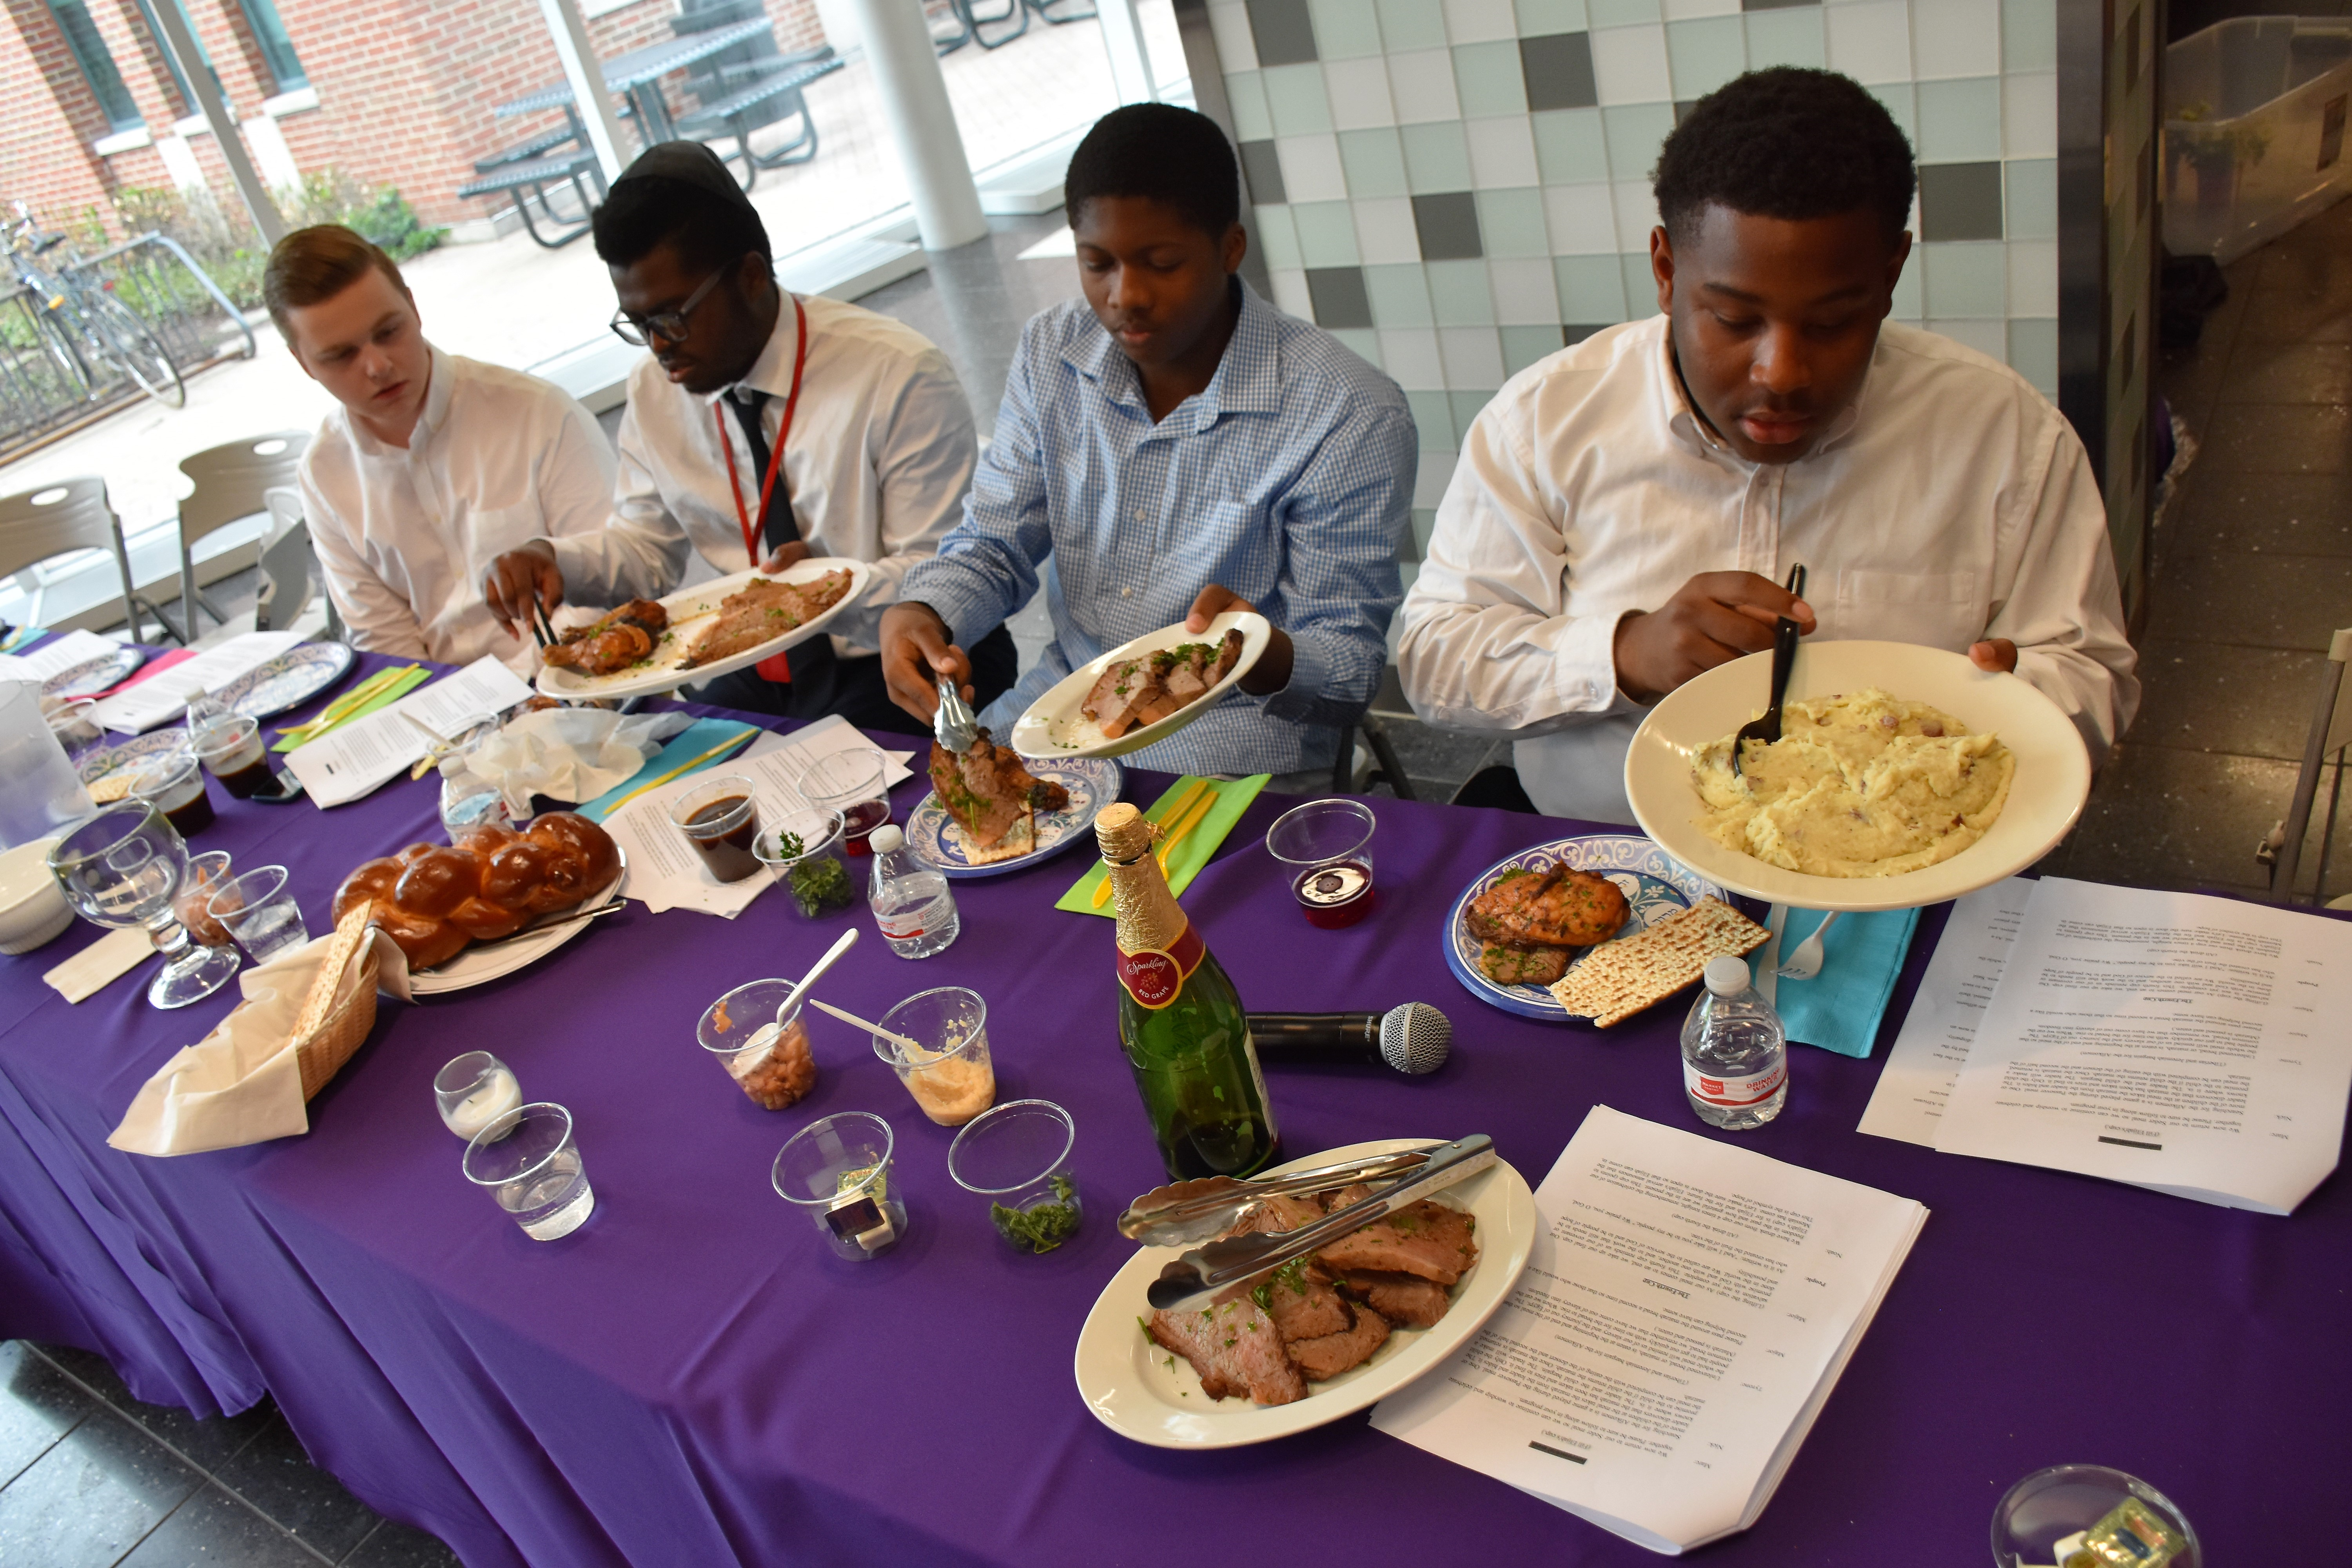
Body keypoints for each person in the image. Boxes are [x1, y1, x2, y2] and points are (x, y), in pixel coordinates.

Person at [1395, 67, 2139, 823]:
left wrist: (2022, 703)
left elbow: (2094, 678)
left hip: (1905, 869)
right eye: (1733, 320)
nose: (1781, 374)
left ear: (1889, 278)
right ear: (1666, 270)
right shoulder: (1546, 421)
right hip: (1613, 863)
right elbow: (1433, 660)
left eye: (1830, 324)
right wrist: (1622, 654)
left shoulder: (2005, 436)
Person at [877, 103, 1417, 784]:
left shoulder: (1347, 412)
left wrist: (1261, 653)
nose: (1125, 296)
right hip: (1065, 716)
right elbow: (995, 542)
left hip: (1232, 752)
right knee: (941, 844)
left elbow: (1349, 673)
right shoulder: (1054, 351)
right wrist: (922, 610)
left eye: (1162, 264)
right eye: (1097, 263)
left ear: (1230, 248)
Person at [481, 141, 1011, 733]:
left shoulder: (895, 372)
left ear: (752, 277)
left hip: (898, 656)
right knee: (665, 785)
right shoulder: (655, 392)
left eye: (672, 318)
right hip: (760, 664)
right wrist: (552, 559)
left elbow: (943, 570)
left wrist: (818, 593)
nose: (658, 346)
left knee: (823, 807)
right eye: (638, 325)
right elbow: (645, 551)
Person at [269, 225, 616, 672]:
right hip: (453, 716)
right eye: (341, 356)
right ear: (303, 364)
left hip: (585, 680)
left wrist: (522, 694)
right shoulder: (324, 474)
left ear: (413, 308)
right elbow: (386, 643)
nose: (377, 366)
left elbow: (609, 582)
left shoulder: (536, 412)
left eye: (389, 331)